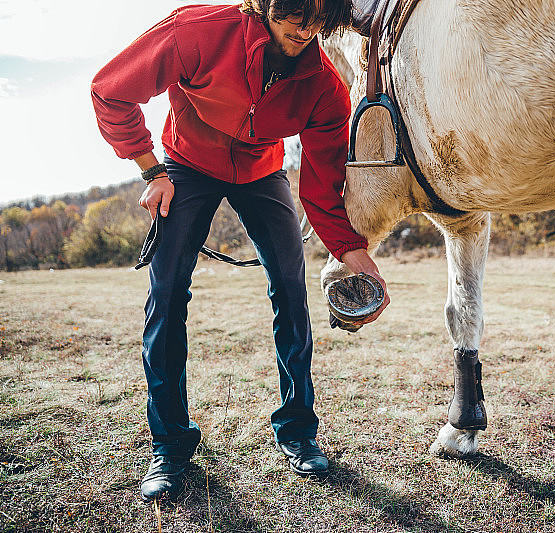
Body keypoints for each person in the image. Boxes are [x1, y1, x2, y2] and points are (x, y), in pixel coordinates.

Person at [91, 0, 389, 501]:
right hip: (185, 164)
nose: (306, 28)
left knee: (292, 290)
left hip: (262, 173)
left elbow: (319, 187)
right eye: (296, 11)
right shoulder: (199, 32)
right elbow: (109, 91)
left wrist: (352, 252)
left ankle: (298, 432)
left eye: (320, 18)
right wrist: (151, 171)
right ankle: (169, 444)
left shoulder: (325, 89)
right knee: (165, 296)